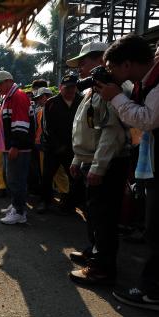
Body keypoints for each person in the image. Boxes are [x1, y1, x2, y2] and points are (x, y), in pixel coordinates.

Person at [95, 34, 159, 309]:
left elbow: (148, 120)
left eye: (110, 69)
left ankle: (153, 292)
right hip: (150, 165)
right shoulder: (146, 84)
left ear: (127, 65)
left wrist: (117, 98)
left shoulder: (155, 85)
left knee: (156, 231)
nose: (108, 75)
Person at [67, 41, 131, 285]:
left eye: (85, 60)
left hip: (107, 163)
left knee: (104, 217)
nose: (80, 66)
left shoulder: (111, 89)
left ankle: (102, 268)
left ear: (101, 60)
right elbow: (87, 129)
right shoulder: (91, 90)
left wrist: (98, 167)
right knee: (93, 213)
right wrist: (78, 158)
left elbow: (110, 132)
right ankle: (94, 252)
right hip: (91, 160)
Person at [0, 70, 35, 224]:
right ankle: (17, 205)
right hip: (10, 146)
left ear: (9, 81)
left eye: (0, 83)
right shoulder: (9, 97)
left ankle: (19, 211)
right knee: (11, 179)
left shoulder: (17, 96)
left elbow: (21, 124)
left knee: (16, 179)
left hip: (18, 147)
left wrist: (16, 146)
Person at [37, 75, 83, 214]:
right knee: (47, 176)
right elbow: (47, 128)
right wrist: (58, 146)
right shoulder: (51, 103)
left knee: (74, 177)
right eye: (67, 87)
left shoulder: (81, 101)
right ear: (60, 88)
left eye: (73, 87)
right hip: (53, 148)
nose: (70, 90)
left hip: (73, 147)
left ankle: (70, 204)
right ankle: (45, 201)